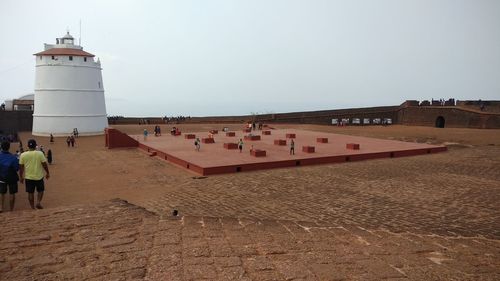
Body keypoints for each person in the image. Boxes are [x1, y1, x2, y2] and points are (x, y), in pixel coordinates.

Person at [19, 139, 50, 209]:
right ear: (35, 145)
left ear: (27, 146)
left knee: (30, 193)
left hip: (28, 177)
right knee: (41, 190)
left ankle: (32, 207)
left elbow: (21, 167)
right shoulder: (40, 153)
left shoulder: (23, 155)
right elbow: (44, 164)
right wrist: (47, 173)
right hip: (39, 176)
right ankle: (38, 202)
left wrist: (21, 177)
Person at [0, 141, 19, 212]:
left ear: (1, 147)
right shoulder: (13, 157)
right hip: (12, 177)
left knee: (2, 193)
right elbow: (17, 168)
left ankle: (1, 207)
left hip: (1, 177)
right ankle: (11, 209)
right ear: (9, 147)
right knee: (12, 193)